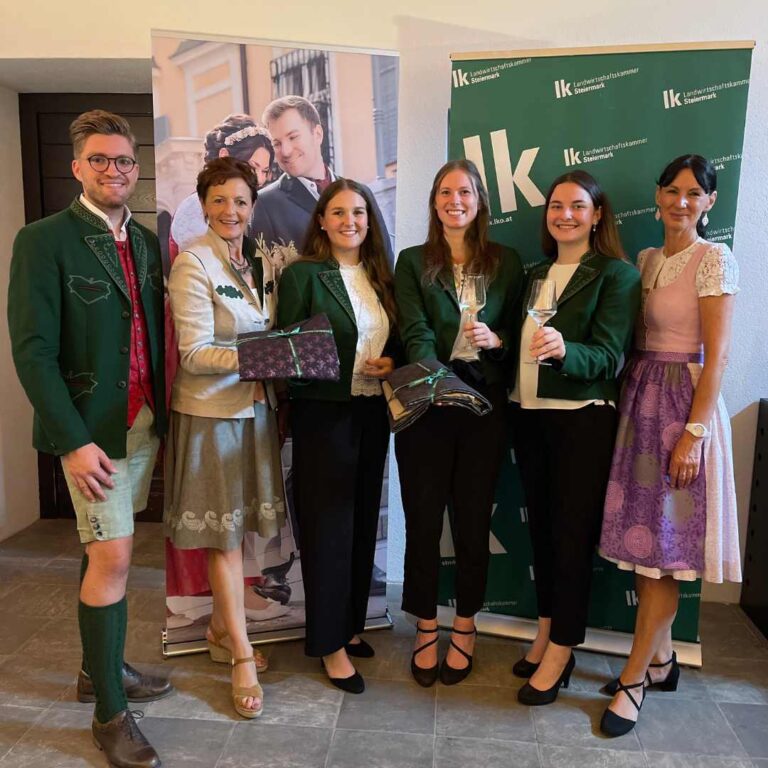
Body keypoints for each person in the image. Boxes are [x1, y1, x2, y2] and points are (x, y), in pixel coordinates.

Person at [7, 110, 172, 768]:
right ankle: (110, 713)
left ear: (137, 168)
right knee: (114, 560)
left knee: (104, 552)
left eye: (124, 161)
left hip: (142, 422)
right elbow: (31, 351)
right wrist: (72, 442)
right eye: (100, 160)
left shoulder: (151, 243)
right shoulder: (43, 240)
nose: (114, 171)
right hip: (90, 436)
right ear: (77, 167)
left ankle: (95, 671)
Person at [598, 155, 741, 736]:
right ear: (657, 197)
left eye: (694, 193)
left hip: (683, 408)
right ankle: (660, 661)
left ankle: (633, 678)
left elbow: (718, 355)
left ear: (709, 202)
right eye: (672, 191)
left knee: (667, 554)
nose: (681, 201)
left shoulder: (715, 260)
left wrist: (695, 434)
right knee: (646, 545)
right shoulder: (647, 259)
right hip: (641, 405)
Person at [510, 170, 641, 707]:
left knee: (570, 539)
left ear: (597, 214)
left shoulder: (616, 275)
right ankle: (546, 629)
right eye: (556, 205)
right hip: (528, 414)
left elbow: (610, 355)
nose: (564, 214)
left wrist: (567, 350)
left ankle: (564, 648)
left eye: (577, 205)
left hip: (581, 417)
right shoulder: (534, 272)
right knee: (541, 531)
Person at [394, 159, 524, 687]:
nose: (455, 200)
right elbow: (415, 328)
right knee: (423, 519)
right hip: (427, 401)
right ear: (434, 201)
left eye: (465, 191)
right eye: (445, 191)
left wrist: (500, 343)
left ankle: (466, 625)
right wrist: (435, 382)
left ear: (479, 200)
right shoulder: (411, 261)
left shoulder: (508, 262)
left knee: (472, 520)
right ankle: (426, 624)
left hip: (486, 402)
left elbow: (520, 329)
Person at [164, 157, 286, 718]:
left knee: (239, 533)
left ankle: (219, 630)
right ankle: (240, 653)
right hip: (212, 418)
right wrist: (269, 356)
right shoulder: (193, 262)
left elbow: (252, 331)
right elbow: (194, 354)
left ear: (252, 207)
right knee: (225, 538)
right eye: (219, 200)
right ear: (203, 204)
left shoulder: (248, 260)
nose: (231, 211)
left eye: (240, 201)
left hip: (253, 411)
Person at [276, 178, 398, 693]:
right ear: (322, 221)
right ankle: (328, 644)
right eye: (340, 212)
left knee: (360, 523)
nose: (351, 221)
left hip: (371, 412)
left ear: (370, 221)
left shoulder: (379, 276)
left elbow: (395, 340)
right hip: (323, 415)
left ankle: (348, 625)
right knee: (327, 531)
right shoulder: (305, 274)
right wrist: (334, 365)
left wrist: (390, 363)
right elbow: (286, 351)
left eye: (360, 212)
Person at [251, 95, 393, 273]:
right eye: (277, 144)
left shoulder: (362, 193)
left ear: (317, 134)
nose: (285, 151)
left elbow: (384, 260)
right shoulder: (265, 204)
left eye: (293, 137)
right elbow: (265, 281)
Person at [169, 114, 274, 258]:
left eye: (264, 171)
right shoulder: (196, 207)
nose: (259, 179)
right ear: (224, 156)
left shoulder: (254, 203)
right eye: (251, 166)